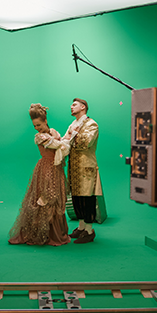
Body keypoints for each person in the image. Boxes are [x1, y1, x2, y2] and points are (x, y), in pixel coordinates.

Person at [8, 104, 71, 246]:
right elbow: (59, 145)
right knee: (47, 196)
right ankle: (42, 233)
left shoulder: (53, 132)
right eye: (35, 126)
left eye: (39, 125)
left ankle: (55, 233)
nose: (37, 128)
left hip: (57, 169)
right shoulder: (40, 137)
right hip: (46, 169)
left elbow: (62, 145)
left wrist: (65, 142)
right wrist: (67, 139)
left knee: (57, 198)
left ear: (45, 121)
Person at [63, 98, 103, 244]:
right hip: (74, 168)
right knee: (76, 197)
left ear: (83, 107)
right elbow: (65, 141)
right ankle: (81, 227)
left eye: (74, 105)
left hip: (86, 167)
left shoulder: (92, 124)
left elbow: (85, 143)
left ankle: (89, 231)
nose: (71, 107)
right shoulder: (73, 124)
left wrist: (72, 135)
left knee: (87, 198)